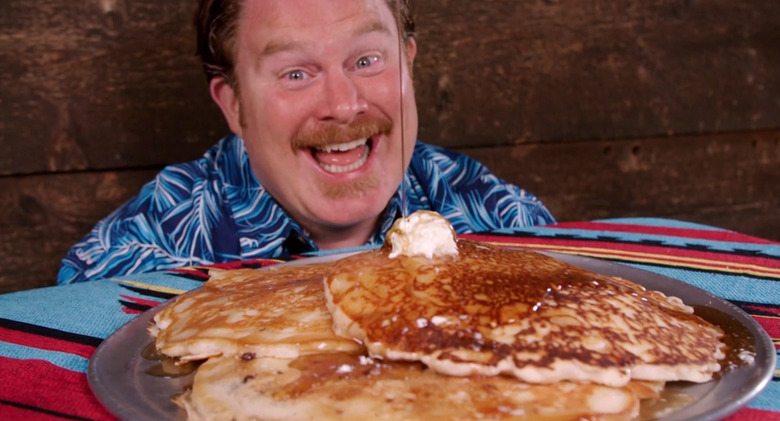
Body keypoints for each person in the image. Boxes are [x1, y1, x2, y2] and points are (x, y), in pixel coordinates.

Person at [57, 0, 555, 284]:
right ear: (233, 104)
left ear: (408, 64)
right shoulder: (128, 269)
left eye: (366, 61)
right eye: (296, 73)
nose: (342, 105)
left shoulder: (510, 227)